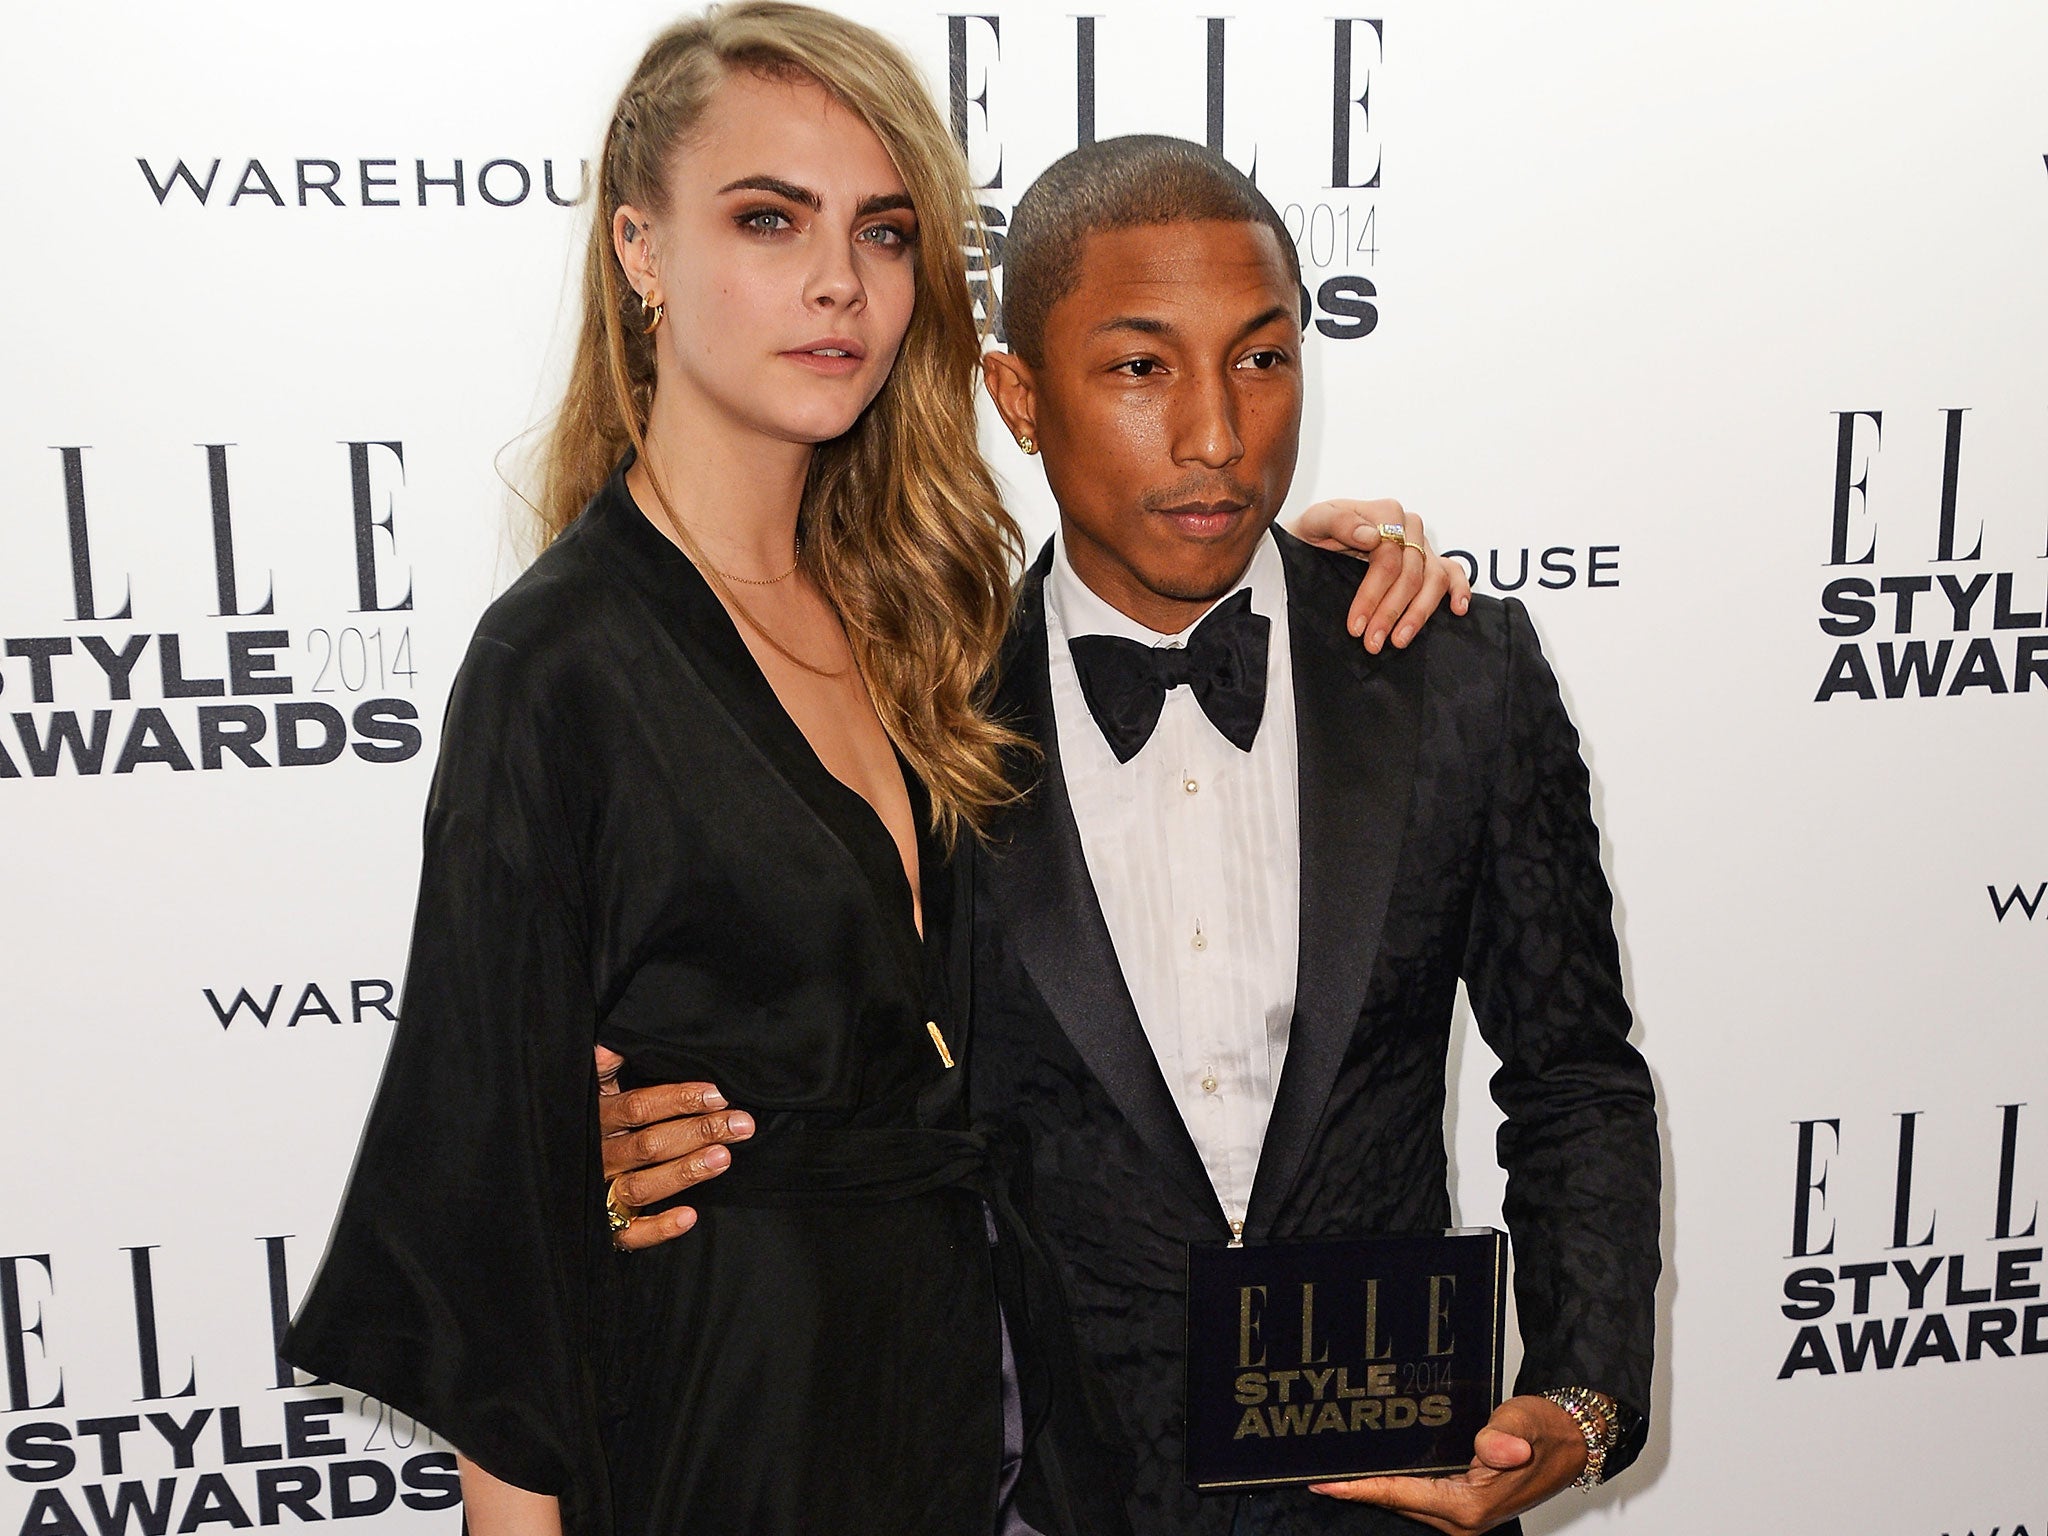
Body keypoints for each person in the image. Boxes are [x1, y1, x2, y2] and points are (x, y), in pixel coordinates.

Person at [283, 8, 1461, 1536]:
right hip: (733, 1432)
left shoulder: (939, 615)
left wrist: (1302, 571)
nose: (840, 280)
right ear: (639, 250)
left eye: (885, 232)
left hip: (995, 1432)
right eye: (770, 219)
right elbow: (496, 1256)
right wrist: (576, 1174)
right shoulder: (558, 670)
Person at [611, 135, 1661, 1536]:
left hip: (1393, 1505)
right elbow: (818, 1099)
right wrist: (642, 1144)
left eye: (1264, 359)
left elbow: (1577, 1072)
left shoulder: (1448, 672)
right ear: (1019, 396)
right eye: (1140, 368)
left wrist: (1581, 1403)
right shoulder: (901, 710)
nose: (1220, 437)